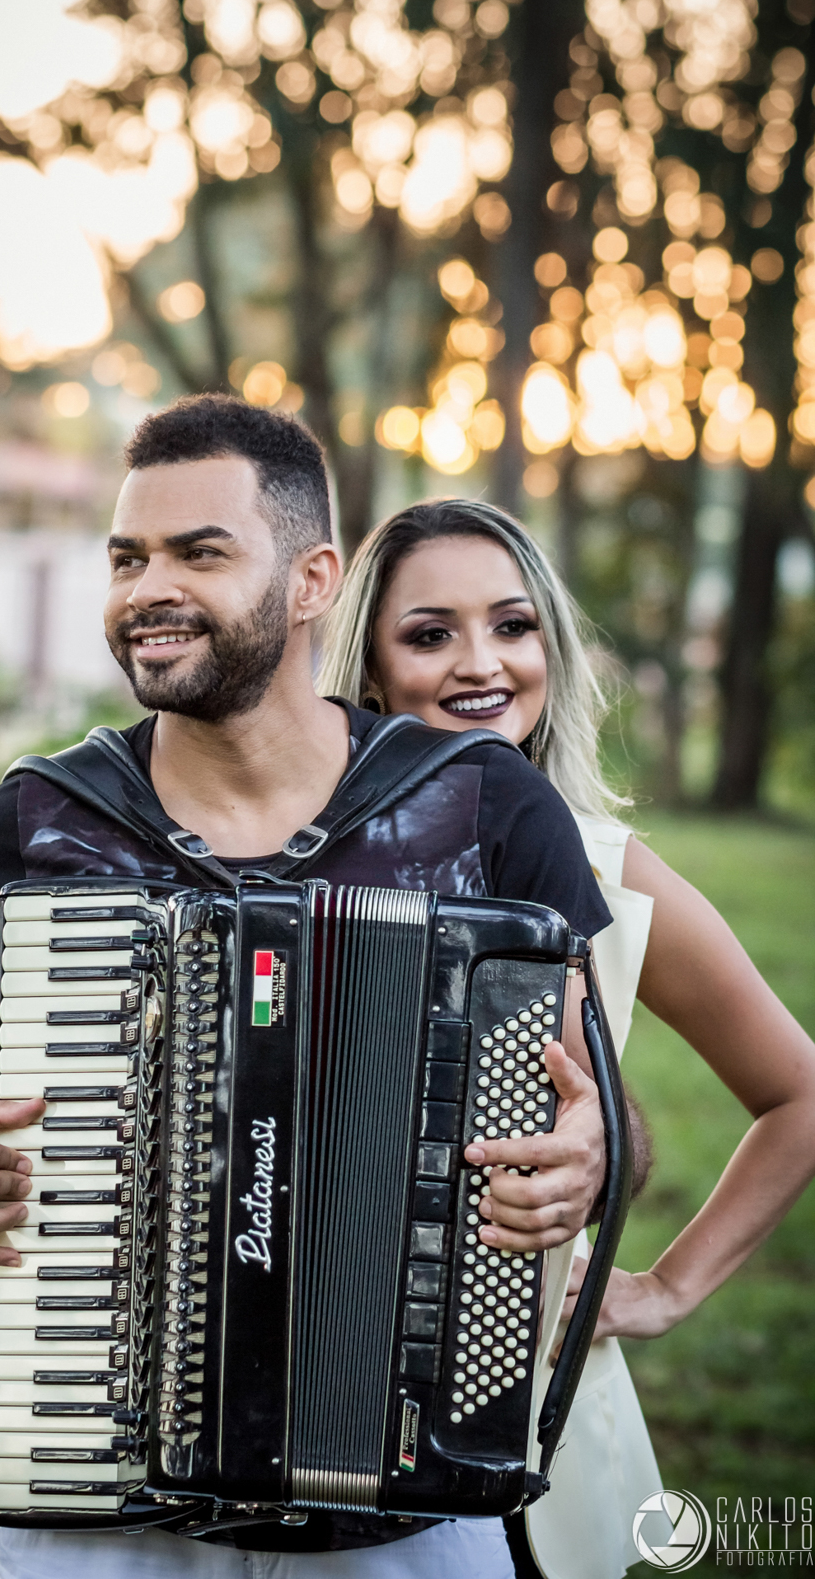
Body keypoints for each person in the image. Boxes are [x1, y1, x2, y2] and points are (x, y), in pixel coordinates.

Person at [0, 399, 625, 1579]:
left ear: (311, 582)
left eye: (199, 553)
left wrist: (590, 1153)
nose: (149, 589)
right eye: (126, 558)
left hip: (401, 1513)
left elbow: (594, 1111)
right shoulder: (39, 822)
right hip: (100, 1509)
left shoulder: (486, 807)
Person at [317, 495, 815, 1579]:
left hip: (529, 1428)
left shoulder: (608, 869)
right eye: (429, 634)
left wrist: (665, 1289)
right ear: (369, 675)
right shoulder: (301, 870)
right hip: (315, 1394)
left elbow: (799, 1094)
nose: (480, 662)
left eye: (512, 625)